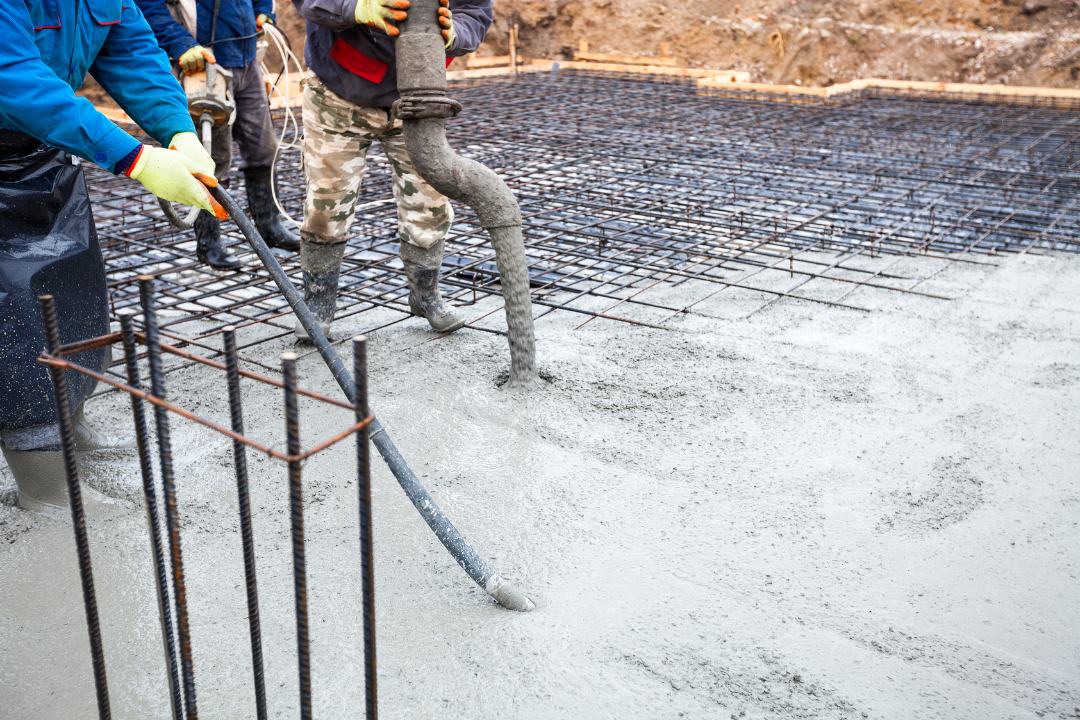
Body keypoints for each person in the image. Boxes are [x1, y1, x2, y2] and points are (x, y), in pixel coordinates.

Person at [0, 0, 225, 511]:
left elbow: (131, 49)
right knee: (14, 319)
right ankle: (46, 484)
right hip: (19, 117)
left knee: (71, 292)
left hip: (40, 144)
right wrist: (137, 157)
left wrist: (177, 130)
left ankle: (71, 424)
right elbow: (11, 75)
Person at [290, 0, 493, 339]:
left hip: (419, 93)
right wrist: (354, 8)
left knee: (430, 200)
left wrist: (456, 33)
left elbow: (475, 11)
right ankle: (318, 302)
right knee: (327, 205)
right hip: (341, 91)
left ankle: (426, 294)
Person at [136, 0, 302, 269]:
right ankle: (209, 244)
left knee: (264, 148)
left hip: (247, 60)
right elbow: (147, 6)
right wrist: (181, 44)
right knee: (211, 159)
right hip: (205, 65)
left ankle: (270, 228)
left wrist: (263, 10)